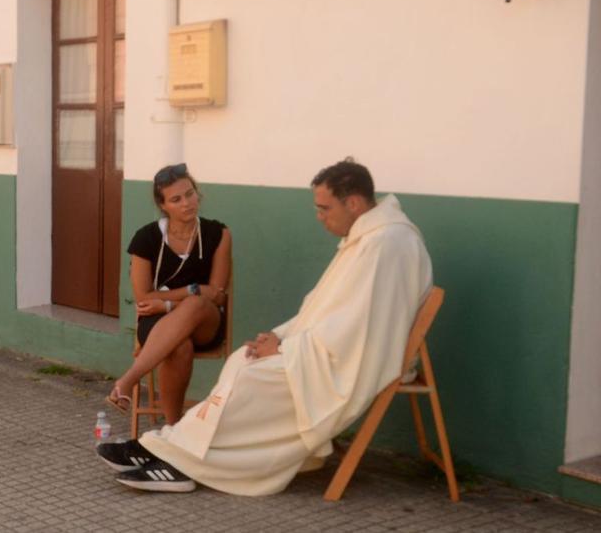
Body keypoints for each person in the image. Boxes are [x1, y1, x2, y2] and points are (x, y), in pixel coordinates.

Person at [96, 158, 433, 496]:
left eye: (324, 208)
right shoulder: (370, 237)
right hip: (327, 348)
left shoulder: (387, 244)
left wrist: (285, 348)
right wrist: (281, 337)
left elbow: (359, 328)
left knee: (253, 376)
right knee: (244, 359)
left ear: (354, 203)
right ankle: (173, 445)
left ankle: (182, 460)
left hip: (353, 360)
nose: (319, 216)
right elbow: (324, 310)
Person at [106, 164, 232, 427]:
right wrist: (190, 291)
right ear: (164, 206)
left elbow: (217, 296)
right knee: (180, 345)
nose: (187, 203)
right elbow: (144, 299)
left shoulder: (217, 234)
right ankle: (173, 428)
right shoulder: (147, 238)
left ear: (198, 194)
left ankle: (129, 380)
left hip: (204, 323)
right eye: (176, 199)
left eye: (190, 194)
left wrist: (166, 304)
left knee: (198, 304)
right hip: (156, 323)